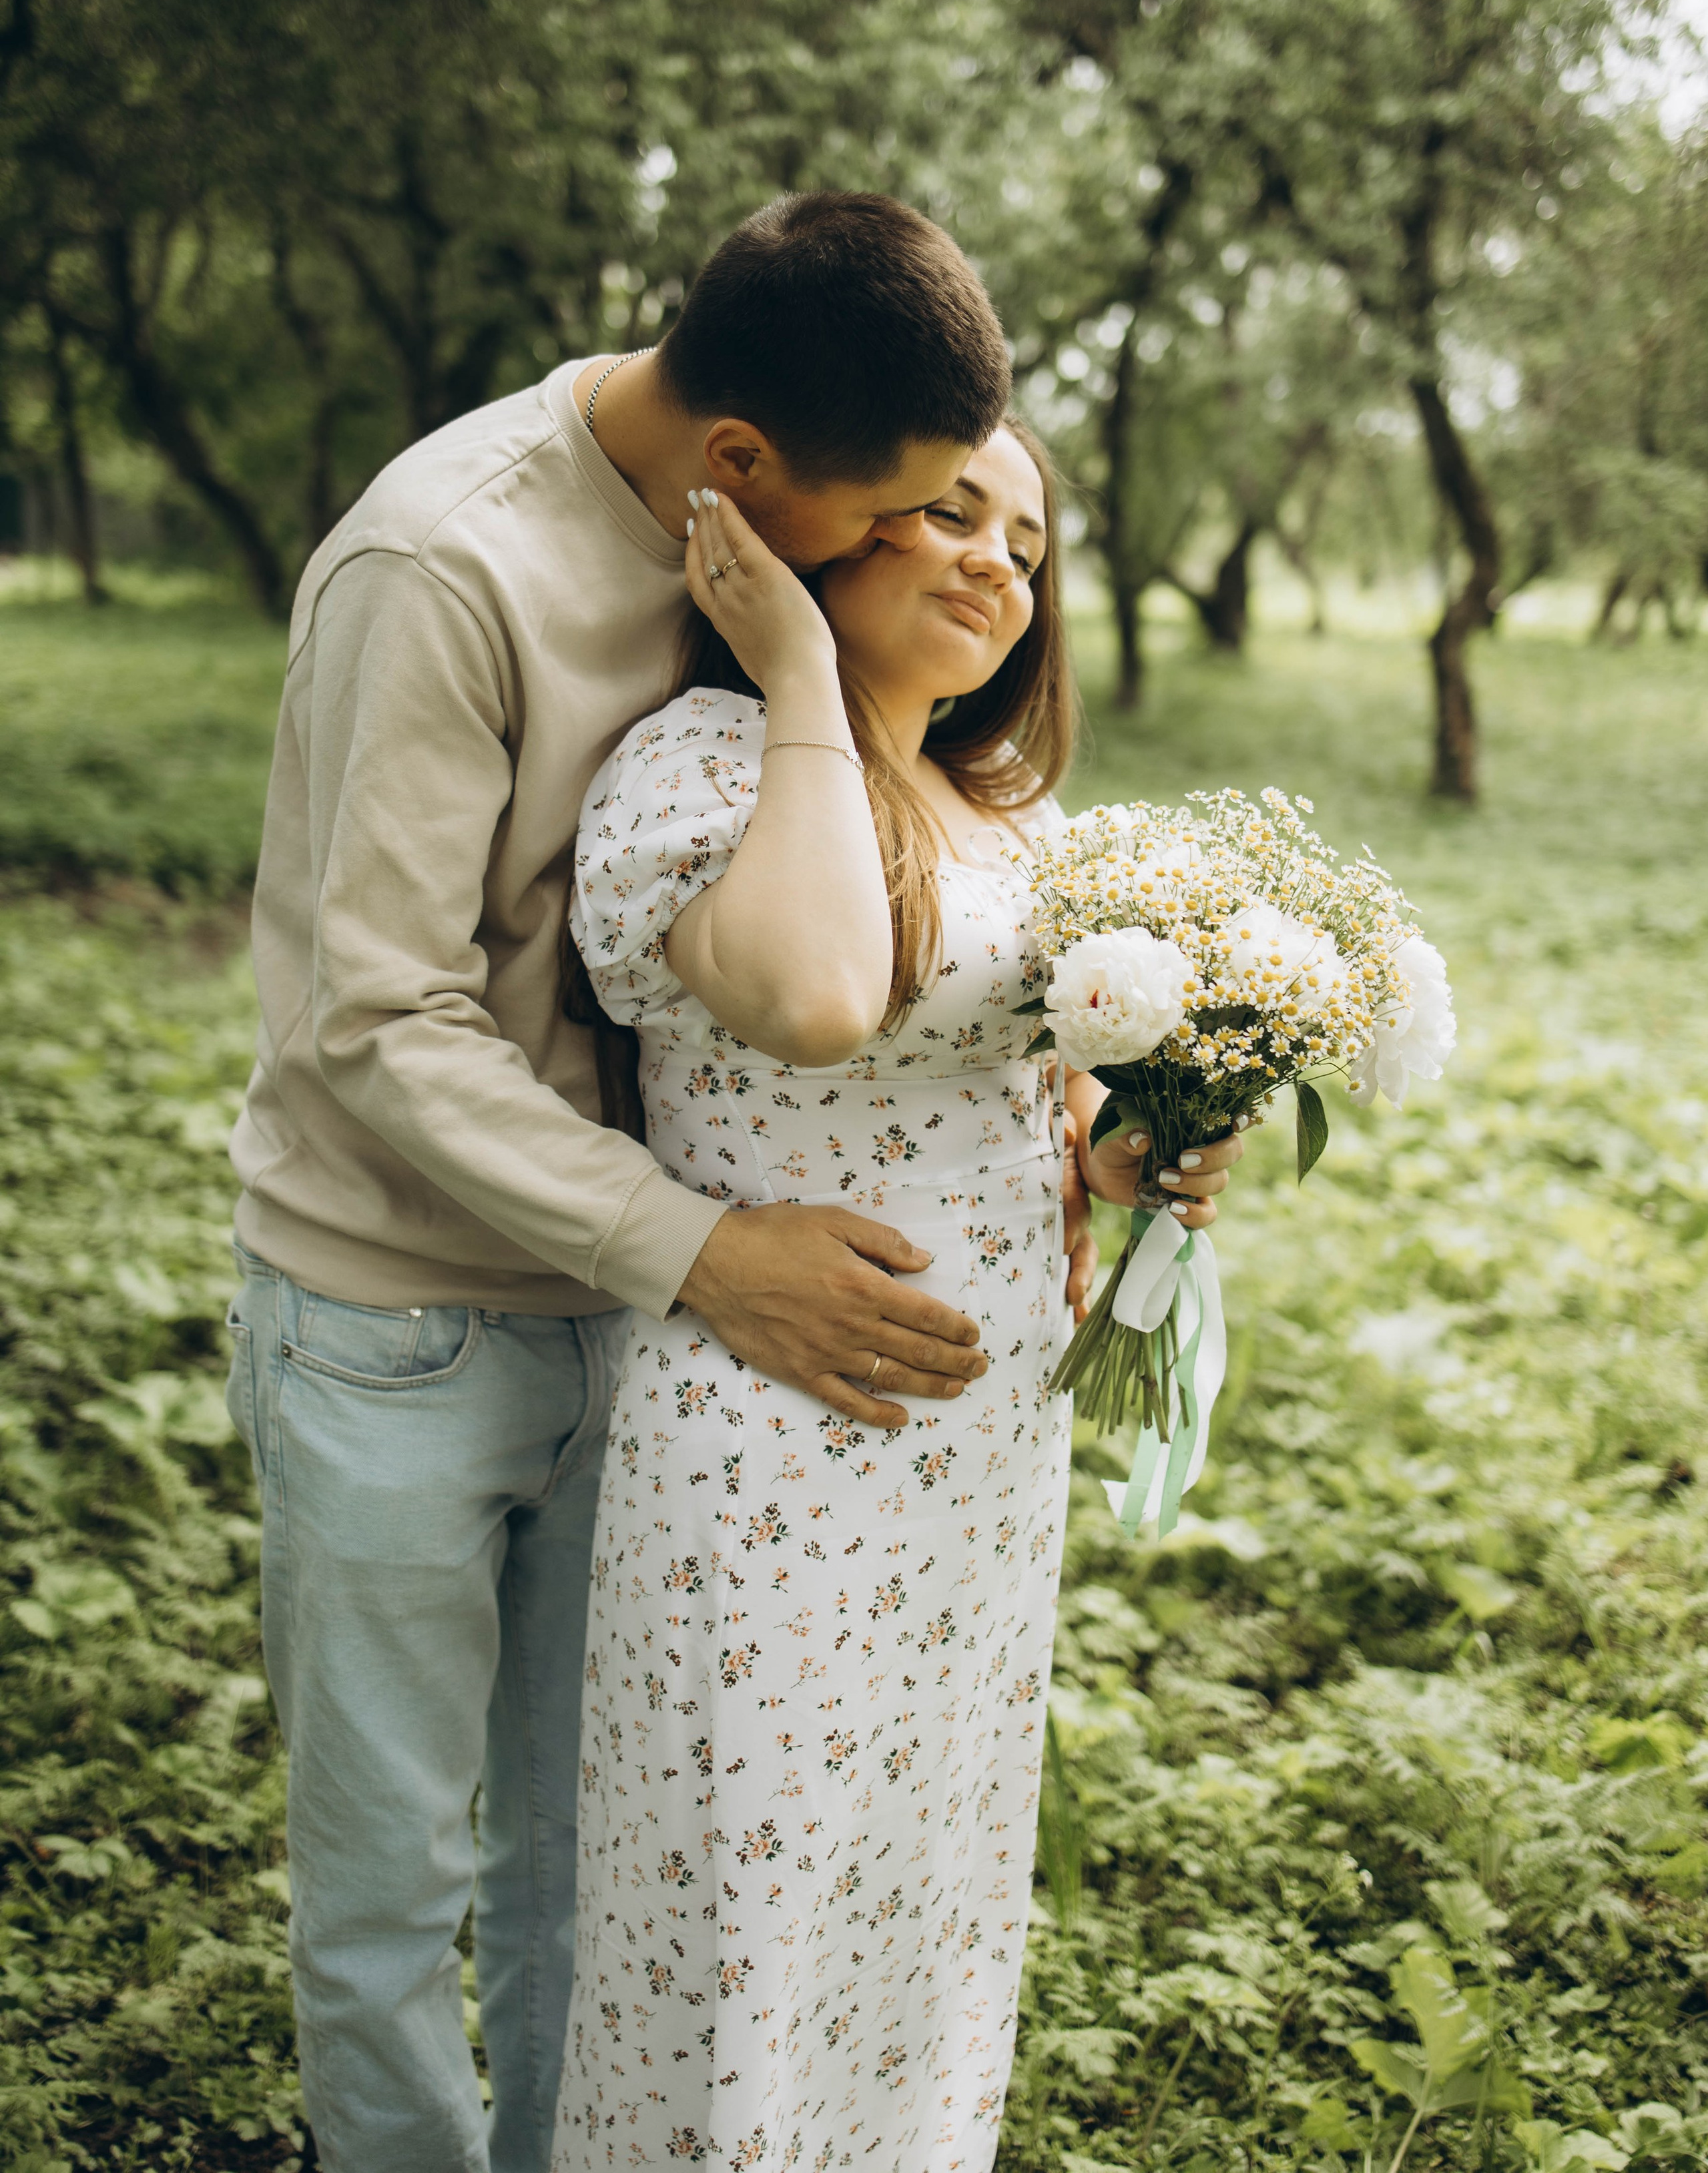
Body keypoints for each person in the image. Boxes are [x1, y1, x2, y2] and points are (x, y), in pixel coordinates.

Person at [221, 188, 1237, 2173]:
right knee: (388, 1895)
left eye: (992, 519)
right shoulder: (442, 568)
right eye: (905, 514)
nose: (939, 552)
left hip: (656, 1322)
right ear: (751, 476)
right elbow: (382, 1022)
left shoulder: (780, 587)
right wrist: (703, 1249)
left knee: (594, 1878)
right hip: (401, 1315)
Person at [552, 421, 1240, 2171]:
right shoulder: (708, 761)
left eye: (1025, 538)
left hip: (974, 1483)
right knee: (740, 1949)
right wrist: (791, 665)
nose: (997, 560)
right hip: (781, 1457)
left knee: (915, 1919)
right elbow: (810, 994)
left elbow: (1017, 1087)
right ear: (827, 528)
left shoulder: (1005, 813)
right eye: (948, 512)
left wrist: (1117, 1156)